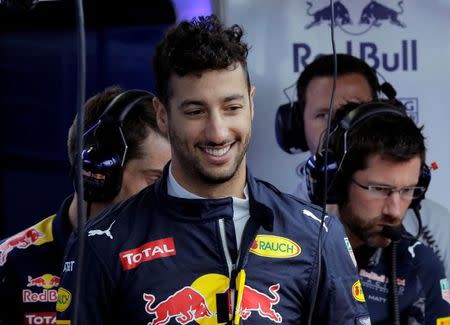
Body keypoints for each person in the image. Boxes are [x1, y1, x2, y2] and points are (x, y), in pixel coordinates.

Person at [56, 15, 370, 324]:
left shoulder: (317, 234)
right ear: (162, 115)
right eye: (195, 111)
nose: (217, 132)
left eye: (232, 108)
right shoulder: (99, 244)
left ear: (251, 102)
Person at [0, 85, 171, 325]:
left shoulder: (179, 261)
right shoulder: (9, 264)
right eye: (157, 179)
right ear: (99, 172)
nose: (169, 194)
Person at [277, 53, 450, 280]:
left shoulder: (436, 227)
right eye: (322, 115)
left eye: (353, 111)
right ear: (298, 126)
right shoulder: (281, 227)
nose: (337, 128)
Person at [310, 100, 450, 324]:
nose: (395, 211)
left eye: (407, 190)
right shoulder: (291, 253)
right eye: (379, 189)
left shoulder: (421, 267)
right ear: (336, 183)